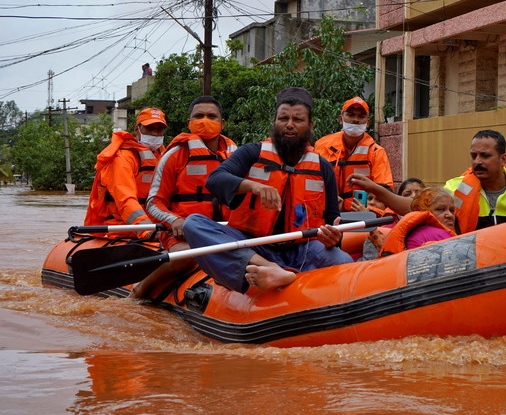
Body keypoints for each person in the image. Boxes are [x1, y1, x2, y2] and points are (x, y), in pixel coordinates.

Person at [182, 87, 352, 293]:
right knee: (193, 224)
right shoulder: (251, 152)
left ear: (310, 126)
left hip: (302, 248)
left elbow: (332, 219)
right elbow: (215, 180)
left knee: (342, 259)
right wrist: (253, 186)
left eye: (298, 120)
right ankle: (268, 268)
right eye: (283, 118)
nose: (289, 125)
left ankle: (290, 278)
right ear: (275, 122)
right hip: (252, 244)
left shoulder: (323, 166)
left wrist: (335, 237)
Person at [349, 130, 506, 234]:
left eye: (485, 156)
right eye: (473, 156)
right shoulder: (456, 187)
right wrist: (375, 188)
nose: (477, 162)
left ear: (503, 159)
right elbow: (412, 208)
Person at [130, 96, 237, 299]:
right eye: (198, 116)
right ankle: (141, 289)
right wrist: (174, 220)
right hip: (183, 233)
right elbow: (153, 202)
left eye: (211, 116)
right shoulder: (175, 155)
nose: (205, 120)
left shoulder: (236, 154)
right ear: (189, 123)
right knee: (184, 256)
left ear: (222, 123)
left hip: (224, 230)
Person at [84, 108, 167, 230]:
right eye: (150, 128)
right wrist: (146, 229)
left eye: (159, 129)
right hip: (123, 228)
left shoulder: (164, 155)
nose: (155, 133)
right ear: (137, 129)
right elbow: (125, 199)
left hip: (157, 226)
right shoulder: (123, 158)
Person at [314, 96, 394, 211]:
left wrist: (370, 212)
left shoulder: (376, 152)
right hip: (325, 213)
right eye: (351, 115)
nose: (355, 120)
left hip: (361, 218)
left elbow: (386, 193)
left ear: (367, 123)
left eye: (361, 116)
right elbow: (311, 182)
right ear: (341, 119)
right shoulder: (321, 146)